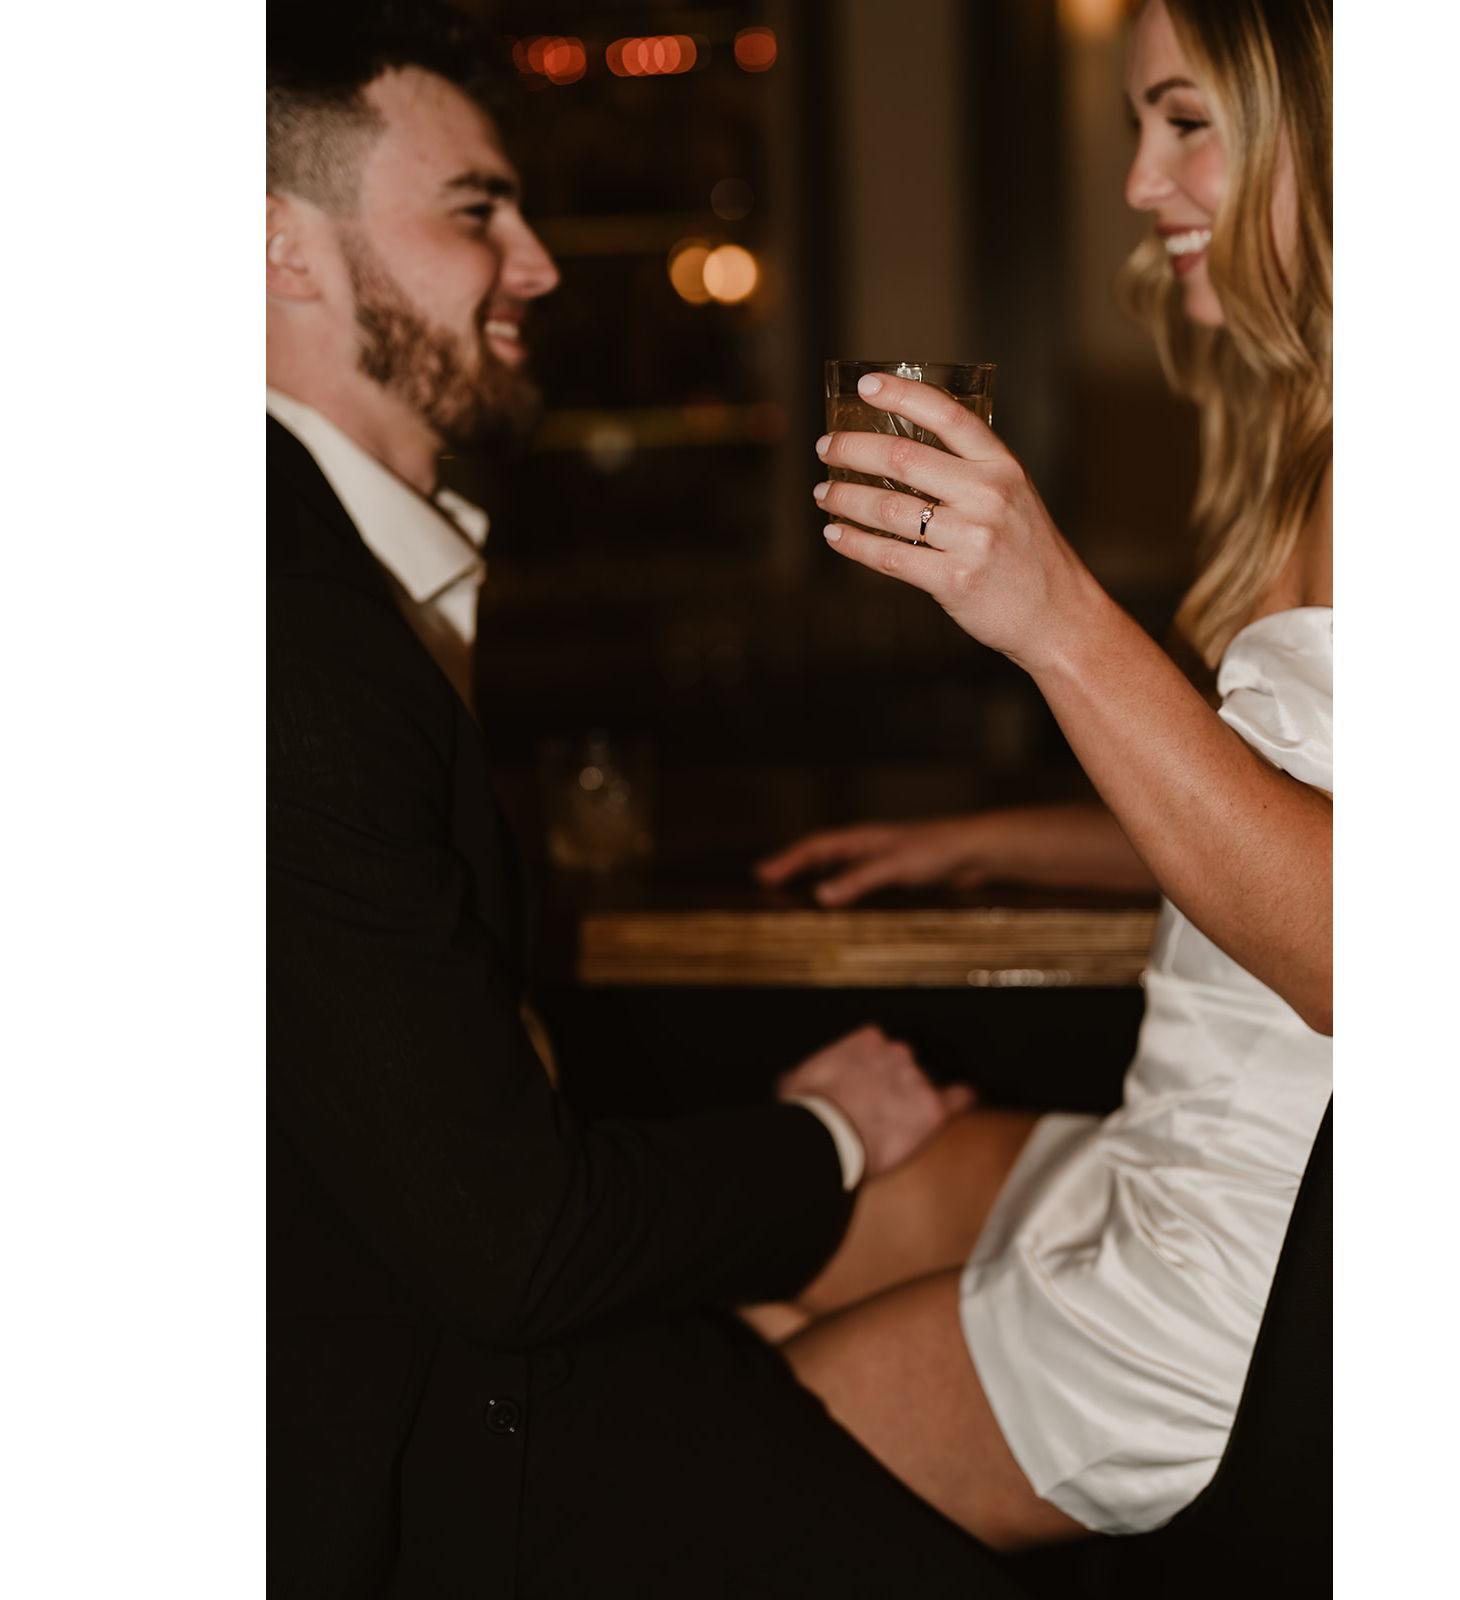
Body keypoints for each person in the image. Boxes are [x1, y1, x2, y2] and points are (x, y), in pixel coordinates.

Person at [265, 8, 1025, 1595]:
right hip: (403, 1453)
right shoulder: (292, 638)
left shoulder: (329, 569)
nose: (539, 264)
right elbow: (516, 1246)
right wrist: (832, 1130)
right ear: (276, 246)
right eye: (477, 211)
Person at [752, 0, 1333, 1554]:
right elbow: (1277, 822)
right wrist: (987, 841)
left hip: (1269, 1255)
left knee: (698, 1471)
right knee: (759, 1251)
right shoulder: (1313, 429)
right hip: (1172, 1144)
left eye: (1187, 120)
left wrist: (1054, 617)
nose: (1141, 182)